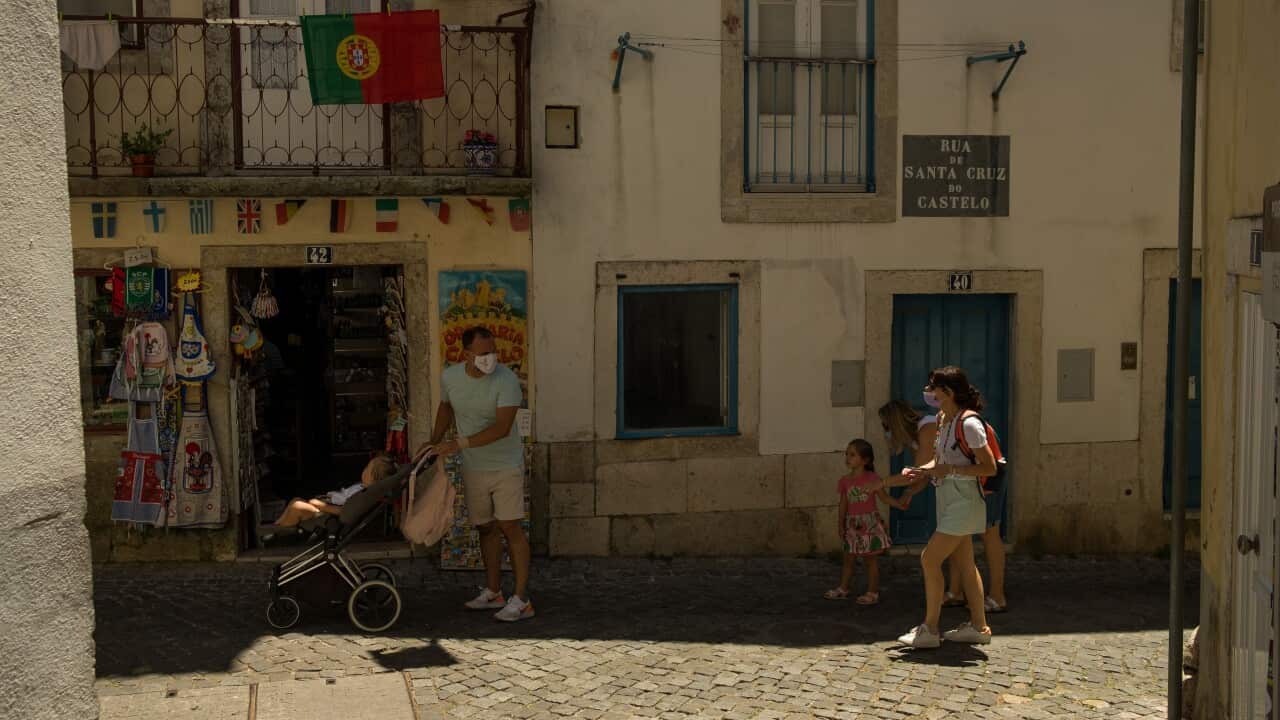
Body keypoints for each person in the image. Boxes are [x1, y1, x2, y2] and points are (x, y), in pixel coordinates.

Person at [415, 326, 533, 623]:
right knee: (485, 528)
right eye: (483, 353)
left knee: (510, 527)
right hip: (474, 466)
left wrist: (458, 443)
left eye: (493, 352)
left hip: (506, 465)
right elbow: (446, 407)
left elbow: (503, 427)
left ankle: (522, 599)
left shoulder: (507, 380)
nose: (490, 358)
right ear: (466, 354)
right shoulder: (451, 378)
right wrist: (434, 439)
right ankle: (494, 591)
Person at [887, 366, 995, 649]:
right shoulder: (945, 420)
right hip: (948, 496)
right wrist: (922, 471)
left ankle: (930, 629)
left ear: (947, 392)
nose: (928, 392)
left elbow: (989, 467)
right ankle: (979, 627)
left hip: (963, 499)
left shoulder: (969, 424)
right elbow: (940, 461)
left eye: (933, 387)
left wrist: (949, 470)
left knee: (929, 559)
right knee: (965, 564)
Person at [824, 439, 908, 605]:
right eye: (847, 454)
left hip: (869, 525)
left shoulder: (873, 478)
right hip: (852, 525)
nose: (848, 458)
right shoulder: (845, 481)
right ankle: (843, 588)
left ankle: (872, 592)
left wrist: (899, 503)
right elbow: (843, 505)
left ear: (865, 460)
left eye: (853, 455)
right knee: (848, 558)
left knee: (870, 560)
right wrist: (840, 524)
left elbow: (884, 498)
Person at [270, 454, 395, 529]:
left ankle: (283, 531)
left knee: (297, 506)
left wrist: (320, 505)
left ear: (372, 478)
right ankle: (277, 527)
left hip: (329, 516)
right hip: (328, 508)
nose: (364, 469)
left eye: (368, 468)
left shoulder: (363, 495)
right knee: (296, 500)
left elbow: (344, 511)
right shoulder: (363, 489)